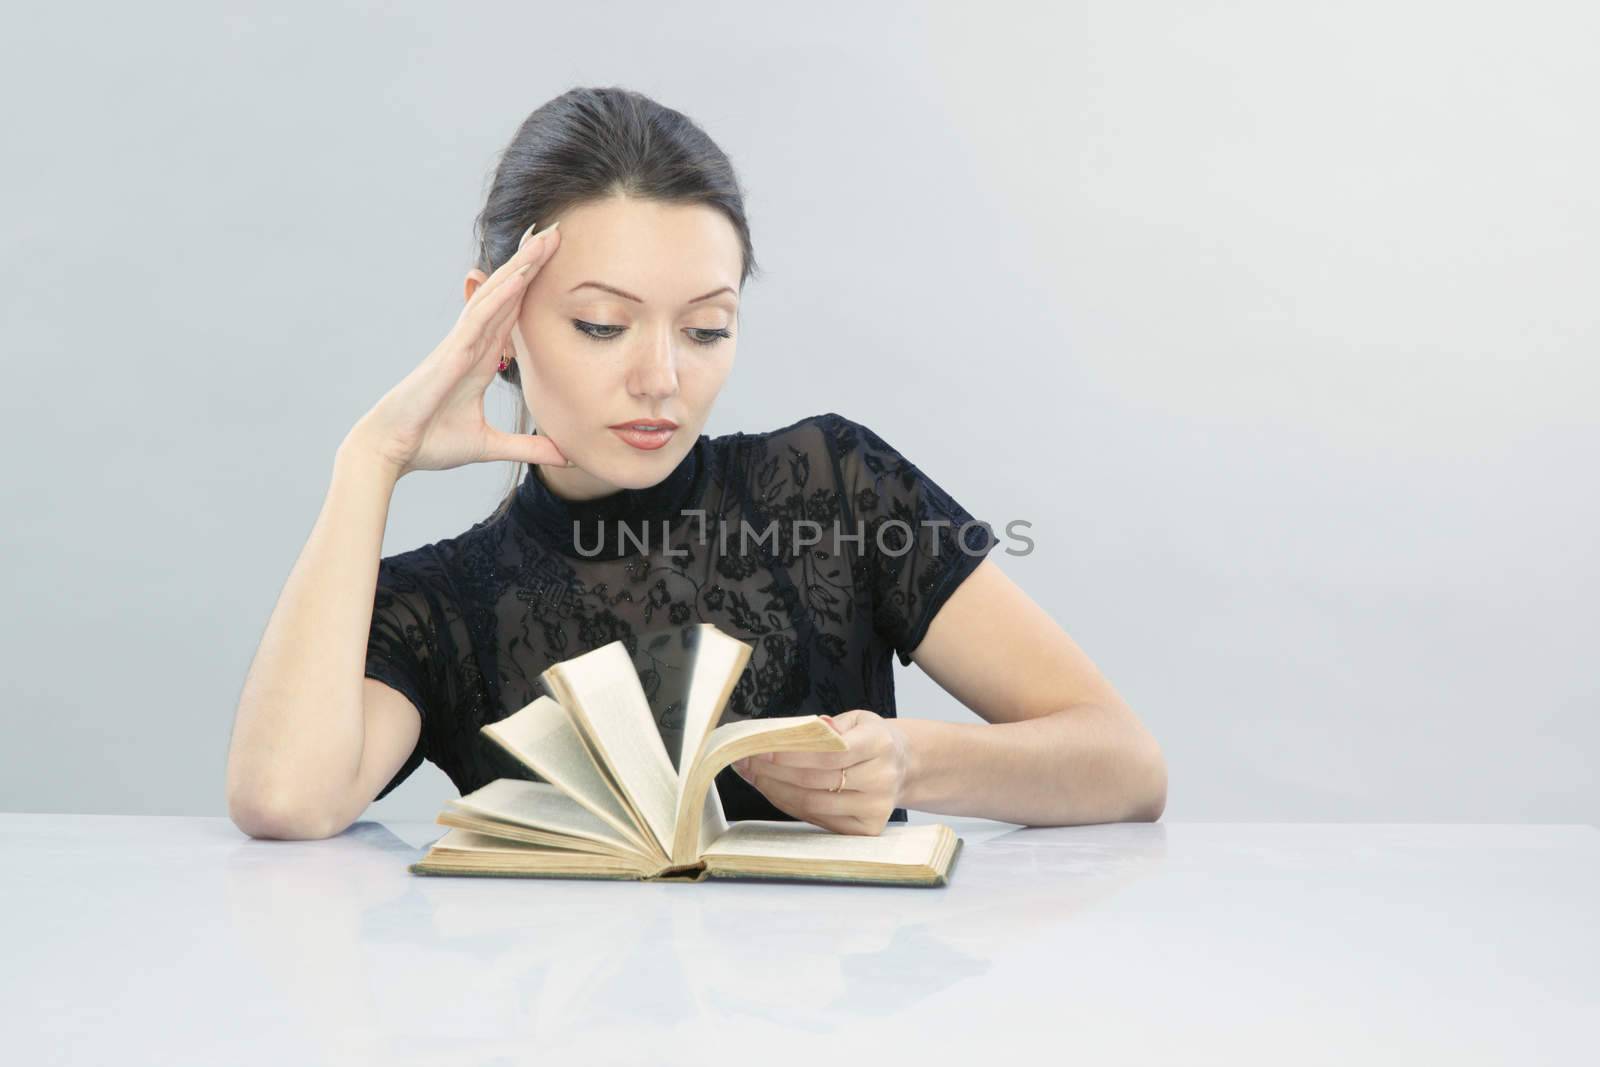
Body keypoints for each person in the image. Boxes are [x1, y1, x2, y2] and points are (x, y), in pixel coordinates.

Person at [225, 86, 1166, 842]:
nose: (661, 378)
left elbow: (1126, 762)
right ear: (496, 322)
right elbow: (283, 799)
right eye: (602, 324)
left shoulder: (832, 487)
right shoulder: (441, 603)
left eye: (707, 328)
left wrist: (911, 763)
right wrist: (371, 459)